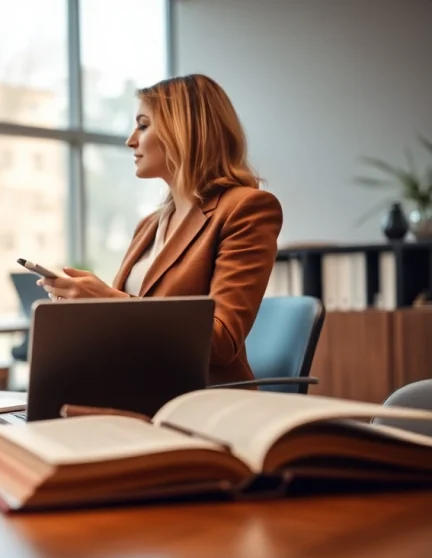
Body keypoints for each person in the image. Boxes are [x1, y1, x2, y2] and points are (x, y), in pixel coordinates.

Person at [39, 73, 282, 386]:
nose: (131, 140)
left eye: (143, 125)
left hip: (198, 404)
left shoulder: (246, 208)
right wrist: (86, 313)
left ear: (183, 131)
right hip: (134, 393)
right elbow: (130, 329)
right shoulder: (149, 226)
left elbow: (221, 341)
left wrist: (109, 303)